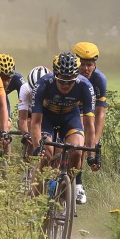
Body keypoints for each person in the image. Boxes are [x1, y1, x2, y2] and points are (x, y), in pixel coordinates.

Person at [29, 52, 97, 188]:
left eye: (70, 81)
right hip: (47, 119)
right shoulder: (43, 84)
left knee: (77, 151)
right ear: (55, 76)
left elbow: (89, 126)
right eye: (61, 81)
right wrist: (37, 147)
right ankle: (37, 200)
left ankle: (66, 193)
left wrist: (91, 154)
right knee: (46, 153)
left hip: (70, 118)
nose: (65, 85)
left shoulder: (85, 86)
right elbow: (35, 122)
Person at [72, 42, 107, 204]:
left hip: (88, 114)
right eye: (82, 64)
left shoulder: (99, 80)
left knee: (84, 139)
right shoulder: (67, 75)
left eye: (90, 65)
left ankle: (77, 183)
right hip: (68, 111)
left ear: (95, 65)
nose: (86, 69)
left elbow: (100, 114)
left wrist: (94, 144)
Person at [0, 53, 23, 129]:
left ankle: (1, 140)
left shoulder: (17, 79)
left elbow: (25, 99)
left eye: (8, 78)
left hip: (0, 104)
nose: (5, 83)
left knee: (5, 126)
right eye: (2, 78)